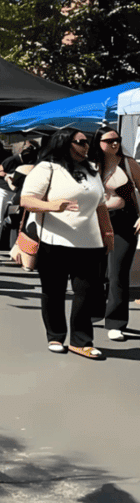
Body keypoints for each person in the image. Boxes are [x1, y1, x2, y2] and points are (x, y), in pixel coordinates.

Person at [21, 125, 113, 358]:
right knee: (54, 291)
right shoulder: (47, 168)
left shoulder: (92, 169)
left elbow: (101, 205)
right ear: (65, 143)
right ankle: (55, 336)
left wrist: (108, 233)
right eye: (80, 142)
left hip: (90, 243)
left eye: (86, 142)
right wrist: (52, 205)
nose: (86, 146)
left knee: (86, 294)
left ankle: (81, 341)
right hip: (55, 241)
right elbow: (27, 200)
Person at [90, 126, 140, 342]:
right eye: (109, 140)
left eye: (117, 139)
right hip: (94, 223)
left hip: (125, 221)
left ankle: (116, 322)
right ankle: (93, 312)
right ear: (97, 143)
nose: (114, 144)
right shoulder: (90, 165)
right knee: (93, 271)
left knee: (117, 272)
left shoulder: (129, 164)